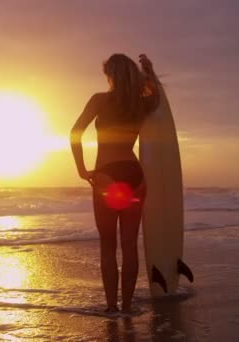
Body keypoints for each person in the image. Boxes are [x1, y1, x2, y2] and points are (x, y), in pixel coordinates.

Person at [70, 53, 160, 314]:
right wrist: (150, 70)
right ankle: (128, 308)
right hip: (135, 175)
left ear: (111, 75)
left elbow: (75, 134)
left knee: (108, 246)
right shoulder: (142, 104)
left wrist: (81, 169)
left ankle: (112, 308)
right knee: (130, 245)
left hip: (108, 176)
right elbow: (158, 96)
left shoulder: (100, 100)